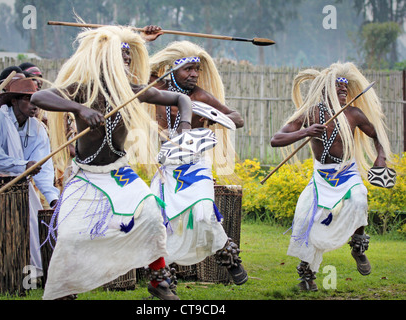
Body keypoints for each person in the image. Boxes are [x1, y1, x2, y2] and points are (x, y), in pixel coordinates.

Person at [30, 25, 193, 300]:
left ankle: (158, 280)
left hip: (119, 171)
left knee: (152, 212)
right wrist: (79, 108)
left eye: (129, 59)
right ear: (106, 59)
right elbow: (38, 96)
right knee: (70, 236)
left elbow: (181, 98)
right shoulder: (83, 89)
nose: (126, 63)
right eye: (121, 58)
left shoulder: (133, 91)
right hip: (86, 174)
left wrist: (185, 126)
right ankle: (63, 290)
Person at [270, 62, 393, 291]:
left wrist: (381, 158)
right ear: (325, 90)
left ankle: (358, 247)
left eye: (345, 89)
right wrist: (306, 131)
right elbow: (276, 139)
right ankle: (307, 275)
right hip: (322, 178)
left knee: (358, 199)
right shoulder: (311, 114)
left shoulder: (353, 114)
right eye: (338, 88)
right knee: (306, 220)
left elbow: (378, 136)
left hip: (348, 173)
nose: (343, 92)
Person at [145, 31, 248, 285]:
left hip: (195, 164)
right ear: (171, 69)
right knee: (158, 217)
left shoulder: (200, 96)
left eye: (197, 69)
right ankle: (164, 275)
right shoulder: (156, 89)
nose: (193, 74)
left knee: (203, 212)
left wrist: (210, 115)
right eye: (188, 69)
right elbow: (130, 72)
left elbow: (238, 118)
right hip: (167, 165)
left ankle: (228, 256)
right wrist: (144, 39)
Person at [0, 78, 60, 282]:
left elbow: (42, 167)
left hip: (21, 188)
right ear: (14, 101)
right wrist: (22, 166)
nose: (34, 105)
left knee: (32, 226)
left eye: (36, 99)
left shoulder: (37, 128)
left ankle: (27, 277)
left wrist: (52, 197)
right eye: (28, 99)